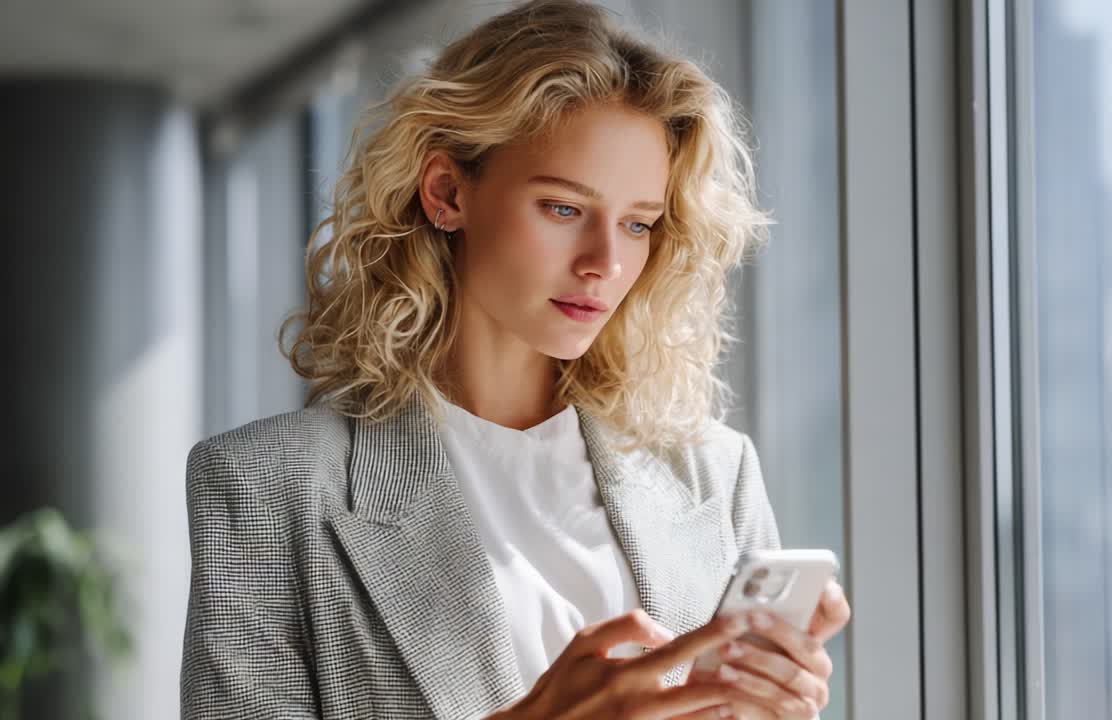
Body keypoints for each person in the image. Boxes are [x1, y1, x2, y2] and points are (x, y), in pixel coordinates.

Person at [179, 1, 850, 718]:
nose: (605, 262)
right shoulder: (263, 487)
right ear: (446, 192)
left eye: (637, 224)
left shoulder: (716, 476)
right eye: (563, 208)